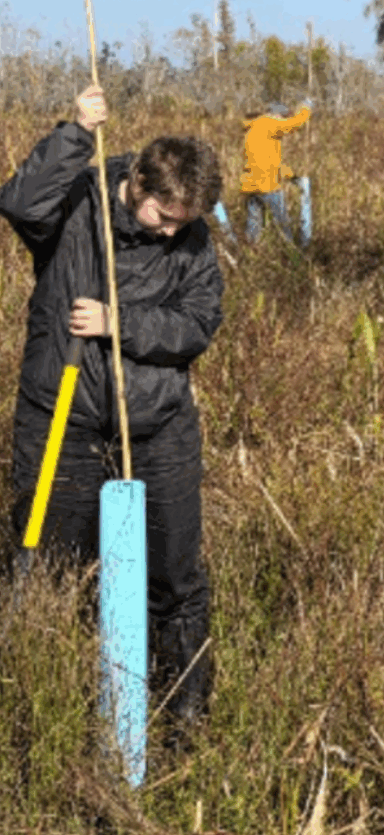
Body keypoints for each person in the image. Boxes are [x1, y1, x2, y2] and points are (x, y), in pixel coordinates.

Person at [0, 84, 224, 741]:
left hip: (157, 425)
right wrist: (74, 130)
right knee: (47, 559)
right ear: (138, 184)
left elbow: (198, 324)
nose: (175, 230)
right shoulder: (81, 197)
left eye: (185, 221)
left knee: (175, 574)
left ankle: (181, 716)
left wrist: (118, 323)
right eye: (166, 216)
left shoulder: (193, 238)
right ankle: (42, 702)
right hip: (61, 417)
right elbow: (17, 202)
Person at [241, 99, 312, 244]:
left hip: (251, 186)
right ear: (277, 115)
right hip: (267, 185)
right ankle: (291, 253)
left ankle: (250, 254)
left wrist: (291, 176)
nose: (283, 120)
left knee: (254, 226)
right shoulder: (268, 123)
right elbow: (293, 124)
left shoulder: (254, 128)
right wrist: (306, 109)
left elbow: (268, 161)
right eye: (283, 117)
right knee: (283, 224)